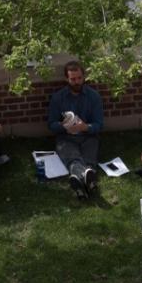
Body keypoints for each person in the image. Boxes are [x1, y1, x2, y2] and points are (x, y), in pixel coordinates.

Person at [47, 61, 104, 199]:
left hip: (88, 136)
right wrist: (65, 126)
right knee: (73, 159)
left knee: (89, 160)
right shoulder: (58, 98)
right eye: (73, 79)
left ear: (84, 77)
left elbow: (99, 124)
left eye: (79, 78)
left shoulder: (94, 96)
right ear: (67, 79)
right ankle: (89, 182)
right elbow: (51, 124)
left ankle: (79, 183)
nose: (77, 82)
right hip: (66, 137)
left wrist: (86, 127)